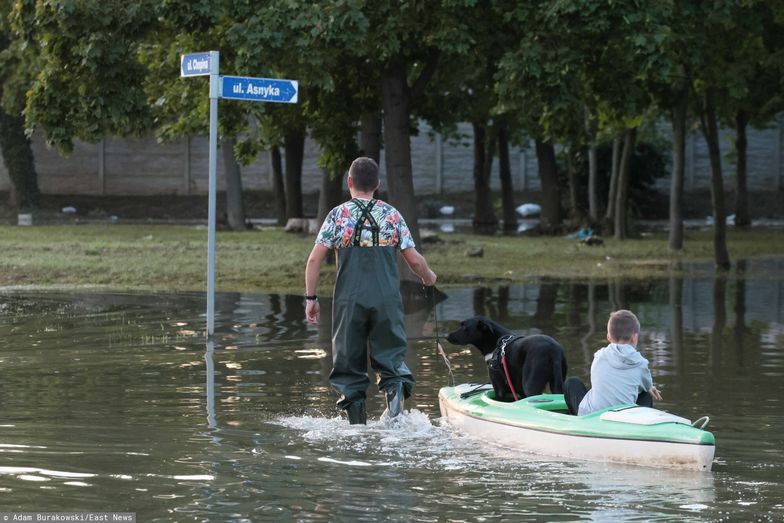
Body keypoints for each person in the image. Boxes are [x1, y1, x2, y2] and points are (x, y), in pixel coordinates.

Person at [304, 157, 437, 425]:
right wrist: (429, 278)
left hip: (349, 302)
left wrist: (311, 298)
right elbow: (414, 260)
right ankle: (396, 405)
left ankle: (357, 428)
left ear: (349, 182)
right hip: (387, 300)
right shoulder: (391, 215)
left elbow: (314, 260)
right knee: (391, 360)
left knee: (348, 365)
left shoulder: (338, 216)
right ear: (377, 184)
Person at [564, 309, 662, 416]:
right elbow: (647, 386)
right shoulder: (640, 364)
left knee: (572, 382)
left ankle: (576, 421)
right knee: (645, 394)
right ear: (634, 337)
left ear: (608, 337)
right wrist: (649, 388)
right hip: (623, 420)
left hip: (592, 417)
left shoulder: (599, 356)